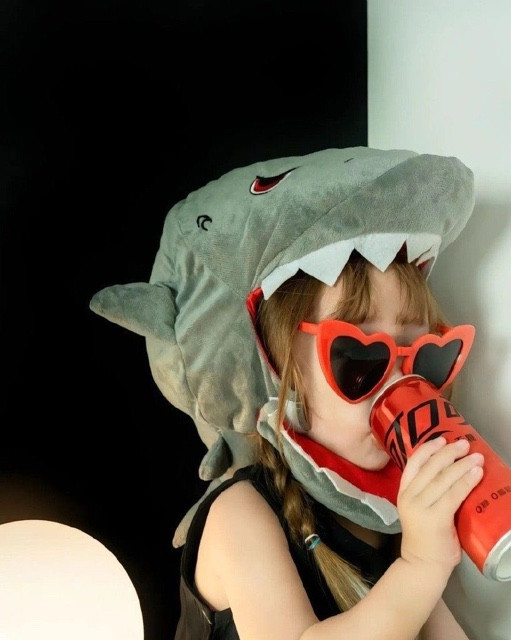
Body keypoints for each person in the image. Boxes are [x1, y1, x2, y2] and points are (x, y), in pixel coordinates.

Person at [89, 146, 480, 640]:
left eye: (424, 358)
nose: (399, 385)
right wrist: (423, 563)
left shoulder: (390, 515)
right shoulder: (239, 514)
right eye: (359, 358)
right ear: (282, 374)